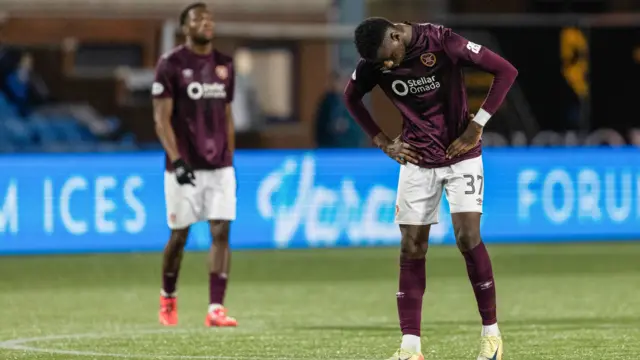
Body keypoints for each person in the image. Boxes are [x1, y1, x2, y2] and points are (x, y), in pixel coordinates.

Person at [344, 18, 518, 360]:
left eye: (388, 57)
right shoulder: (374, 62)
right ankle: (410, 349)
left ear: (396, 35)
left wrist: (476, 127)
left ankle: (492, 336)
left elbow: (506, 72)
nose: (388, 65)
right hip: (417, 159)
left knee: (467, 237)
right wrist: (382, 141)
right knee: (411, 247)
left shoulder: (442, 41)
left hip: (461, 154)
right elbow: (351, 98)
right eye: (381, 63)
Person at [152, 2, 237, 327]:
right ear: (185, 27)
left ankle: (216, 307)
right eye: (198, 19)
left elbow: (227, 114)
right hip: (183, 166)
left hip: (220, 165)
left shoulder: (225, 64)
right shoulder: (170, 64)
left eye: (209, 19)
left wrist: (230, 154)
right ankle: (168, 296)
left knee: (221, 230)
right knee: (179, 236)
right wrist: (176, 159)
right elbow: (161, 119)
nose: (206, 23)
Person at [315, 72, 366, 148]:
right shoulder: (326, 102)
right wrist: (331, 127)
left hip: (349, 147)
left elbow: (360, 127)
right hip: (329, 146)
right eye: (333, 82)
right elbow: (320, 125)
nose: (336, 85)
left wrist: (347, 126)